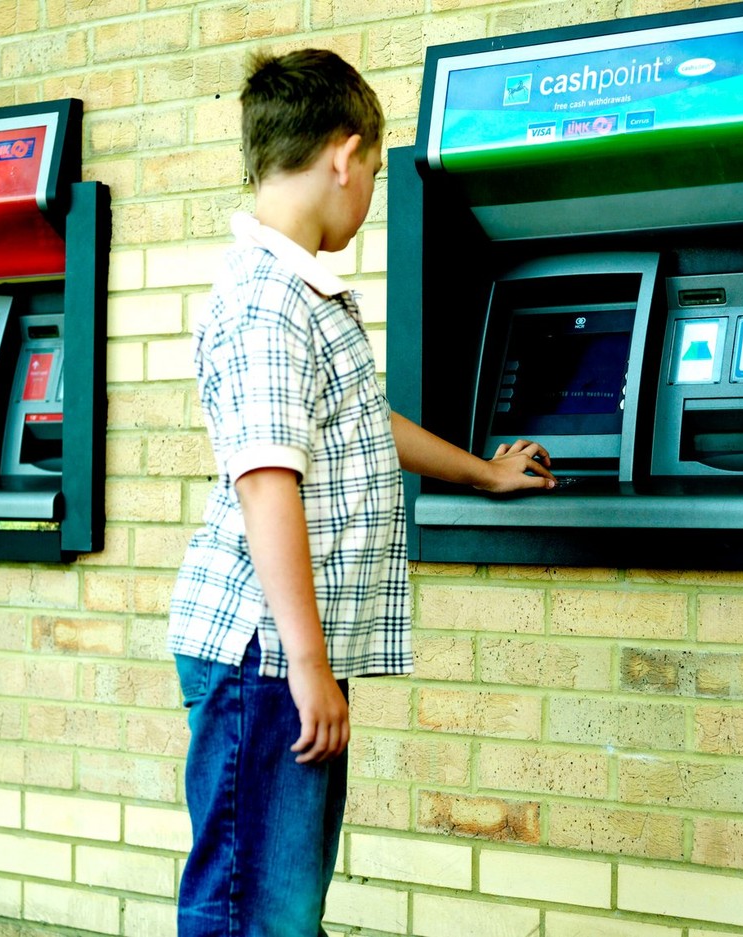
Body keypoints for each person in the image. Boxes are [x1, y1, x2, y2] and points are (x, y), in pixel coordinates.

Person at [167, 48, 556, 937]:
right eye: (375, 171)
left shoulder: (298, 291)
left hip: (277, 655)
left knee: (277, 905)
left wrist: (483, 469)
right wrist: (308, 667)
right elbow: (268, 482)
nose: (371, 194)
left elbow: (360, 420)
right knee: (253, 913)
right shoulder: (269, 296)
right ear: (343, 156)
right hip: (263, 658)